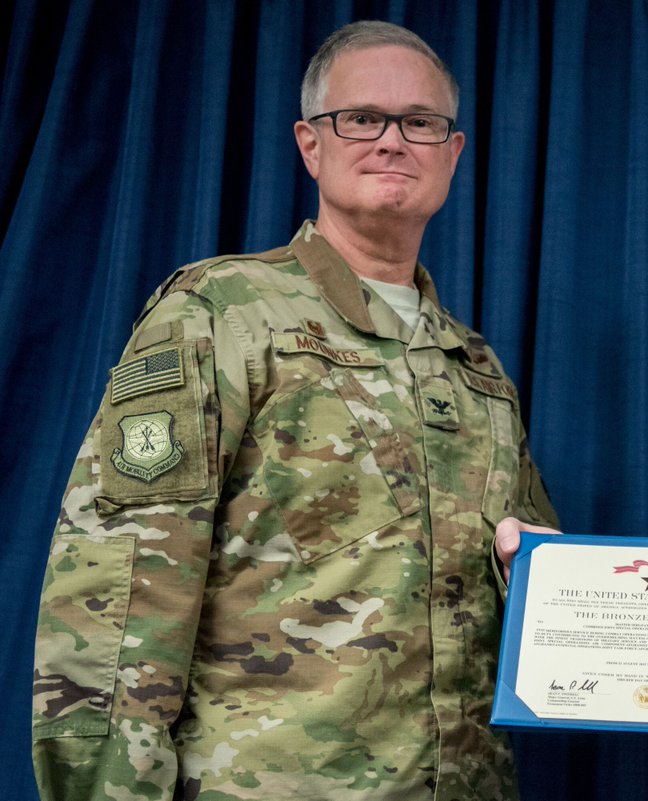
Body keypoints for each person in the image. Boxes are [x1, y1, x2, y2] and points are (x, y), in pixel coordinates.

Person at [31, 21, 557, 801]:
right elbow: (122, 584)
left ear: (453, 153)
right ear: (311, 145)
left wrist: (540, 578)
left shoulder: (474, 368)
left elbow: (531, 590)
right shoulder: (221, 312)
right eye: (362, 119)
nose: (391, 141)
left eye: (420, 123)